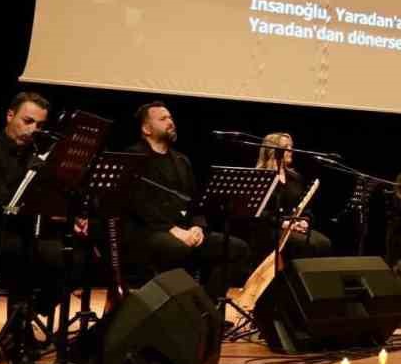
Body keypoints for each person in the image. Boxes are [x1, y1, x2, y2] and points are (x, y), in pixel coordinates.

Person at [0, 90, 84, 364]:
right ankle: (18, 337)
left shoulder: (33, 155)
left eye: (40, 125)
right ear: (10, 116)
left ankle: (26, 317)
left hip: (21, 230)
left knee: (74, 256)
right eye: (28, 121)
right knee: (27, 254)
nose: (33, 130)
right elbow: (3, 206)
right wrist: (33, 172)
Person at [122, 101, 249, 298]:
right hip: (148, 231)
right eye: (163, 119)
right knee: (178, 250)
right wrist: (173, 230)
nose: (170, 122)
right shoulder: (133, 156)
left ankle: (206, 307)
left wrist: (197, 226)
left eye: (170, 117)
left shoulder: (182, 161)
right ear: (146, 129)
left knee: (236, 248)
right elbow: (138, 204)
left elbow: (194, 202)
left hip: (185, 230)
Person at [251, 132, 333, 261]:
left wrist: (304, 220)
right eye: (286, 147)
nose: (291, 150)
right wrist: (284, 223)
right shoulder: (260, 178)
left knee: (324, 243)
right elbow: (258, 212)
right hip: (270, 228)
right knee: (308, 245)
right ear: (273, 151)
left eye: (291, 146)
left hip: (293, 227)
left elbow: (304, 207)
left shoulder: (295, 178)